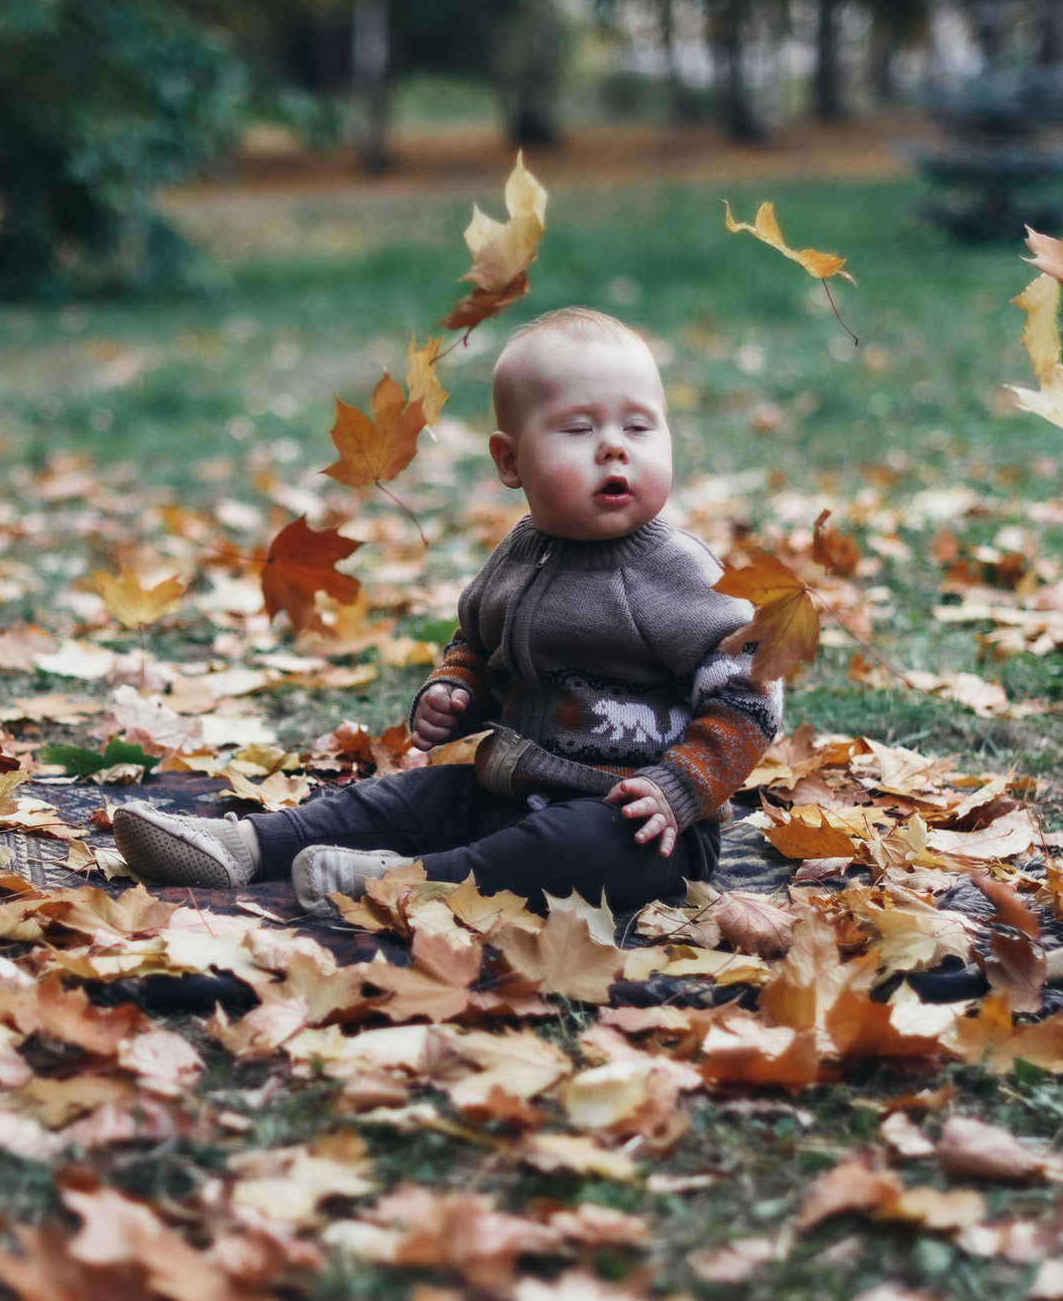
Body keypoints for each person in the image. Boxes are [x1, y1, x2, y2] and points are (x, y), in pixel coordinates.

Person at [113, 306, 781, 915]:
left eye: (639, 426)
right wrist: (455, 687)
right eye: (579, 429)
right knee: (413, 797)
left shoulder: (677, 570)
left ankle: (412, 880)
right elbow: (476, 641)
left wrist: (682, 785)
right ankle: (247, 844)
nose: (614, 445)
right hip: (512, 788)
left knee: (576, 843)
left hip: (644, 823)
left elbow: (752, 690)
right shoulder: (521, 553)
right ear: (510, 460)